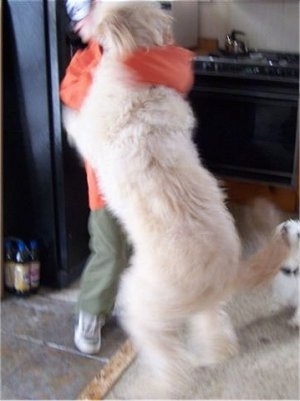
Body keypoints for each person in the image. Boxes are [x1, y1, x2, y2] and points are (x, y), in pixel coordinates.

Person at [60, 0, 194, 354]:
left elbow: (181, 72)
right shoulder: (85, 62)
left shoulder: (149, 51)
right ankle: (91, 311)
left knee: (147, 247)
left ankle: (137, 304)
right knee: (110, 250)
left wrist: (128, 60)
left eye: (85, 13)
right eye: (76, 17)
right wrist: (108, 65)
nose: (79, 25)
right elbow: (72, 94)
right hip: (106, 186)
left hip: (150, 177)